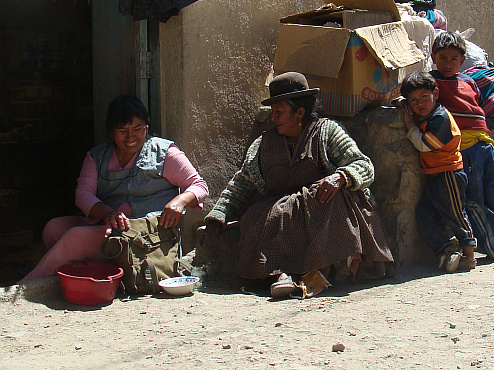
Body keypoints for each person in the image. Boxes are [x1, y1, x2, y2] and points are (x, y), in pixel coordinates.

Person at [201, 72, 393, 298]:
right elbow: (241, 183)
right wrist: (218, 214)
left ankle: (323, 268)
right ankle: (281, 275)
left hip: (323, 212)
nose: (273, 117)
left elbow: (363, 165)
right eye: (272, 112)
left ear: (300, 112)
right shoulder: (263, 144)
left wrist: (339, 177)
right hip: (284, 214)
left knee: (329, 196)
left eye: (279, 112)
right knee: (259, 215)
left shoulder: (327, 132)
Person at [20, 95, 208, 282]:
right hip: (110, 227)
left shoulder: (165, 153)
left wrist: (180, 200)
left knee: (75, 237)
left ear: (147, 127)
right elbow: (83, 193)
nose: (130, 137)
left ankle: (31, 285)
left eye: (137, 128)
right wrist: (106, 212)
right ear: (111, 132)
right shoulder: (97, 157)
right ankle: (82, 276)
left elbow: (199, 186)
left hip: (145, 235)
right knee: (53, 229)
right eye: (122, 130)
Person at [429, 31, 494, 264]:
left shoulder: (469, 81)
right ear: (433, 58)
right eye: (442, 58)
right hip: (465, 149)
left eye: (453, 59)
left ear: (462, 60)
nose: (448, 64)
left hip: (485, 145)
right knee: (475, 201)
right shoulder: (432, 82)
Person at [400, 71, 477, 272]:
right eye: (413, 100)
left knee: (455, 214)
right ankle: (446, 249)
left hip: (448, 173)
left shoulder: (441, 118)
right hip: (435, 174)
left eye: (424, 97)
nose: (419, 104)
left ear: (435, 93)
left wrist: (410, 126)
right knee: (425, 214)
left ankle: (469, 254)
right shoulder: (428, 115)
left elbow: (425, 145)